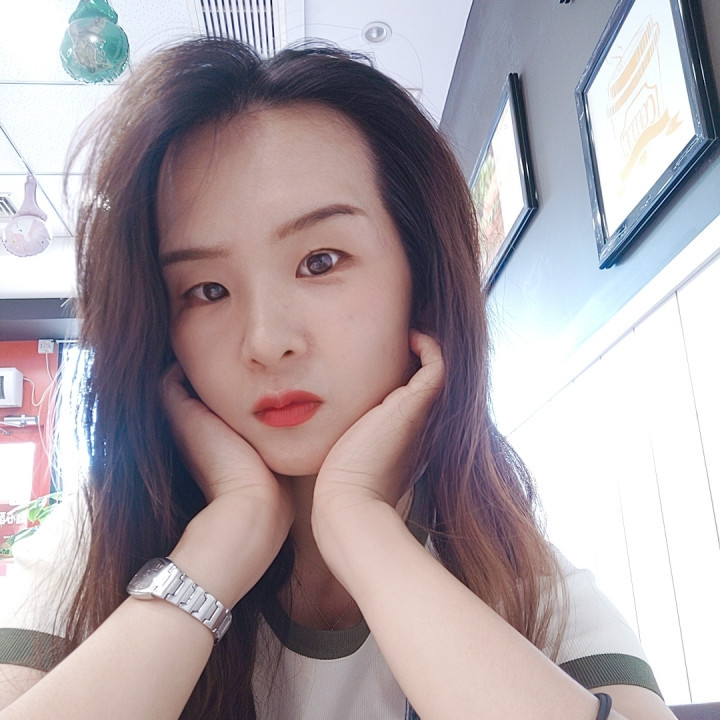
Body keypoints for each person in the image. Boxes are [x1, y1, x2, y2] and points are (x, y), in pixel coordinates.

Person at [0, 38, 674, 720]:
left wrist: (360, 526)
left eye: (320, 261)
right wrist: (222, 544)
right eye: (207, 290)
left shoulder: (521, 580)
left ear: (422, 279)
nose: (266, 342)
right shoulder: (94, 543)